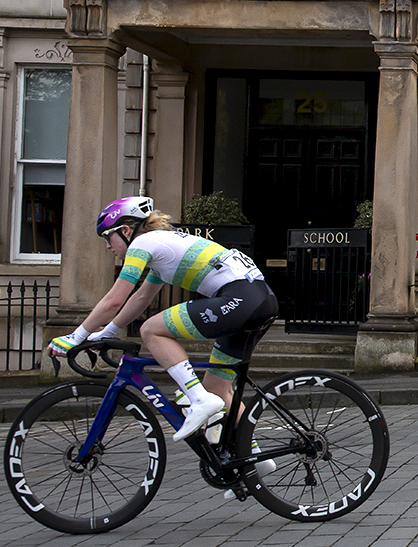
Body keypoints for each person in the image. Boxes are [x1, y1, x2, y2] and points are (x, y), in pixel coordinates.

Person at [46, 196, 280, 490]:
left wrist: (75, 337)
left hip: (240, 298)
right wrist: (104, 334)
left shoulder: (144, 245)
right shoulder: (161, 248)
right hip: (260, 300)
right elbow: (141, 298)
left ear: (126, 230)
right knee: (220, 388)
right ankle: (255, 457)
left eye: (108, 237)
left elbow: (114, 299)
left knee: (151, 330)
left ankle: (197, 398)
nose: (108, 246)